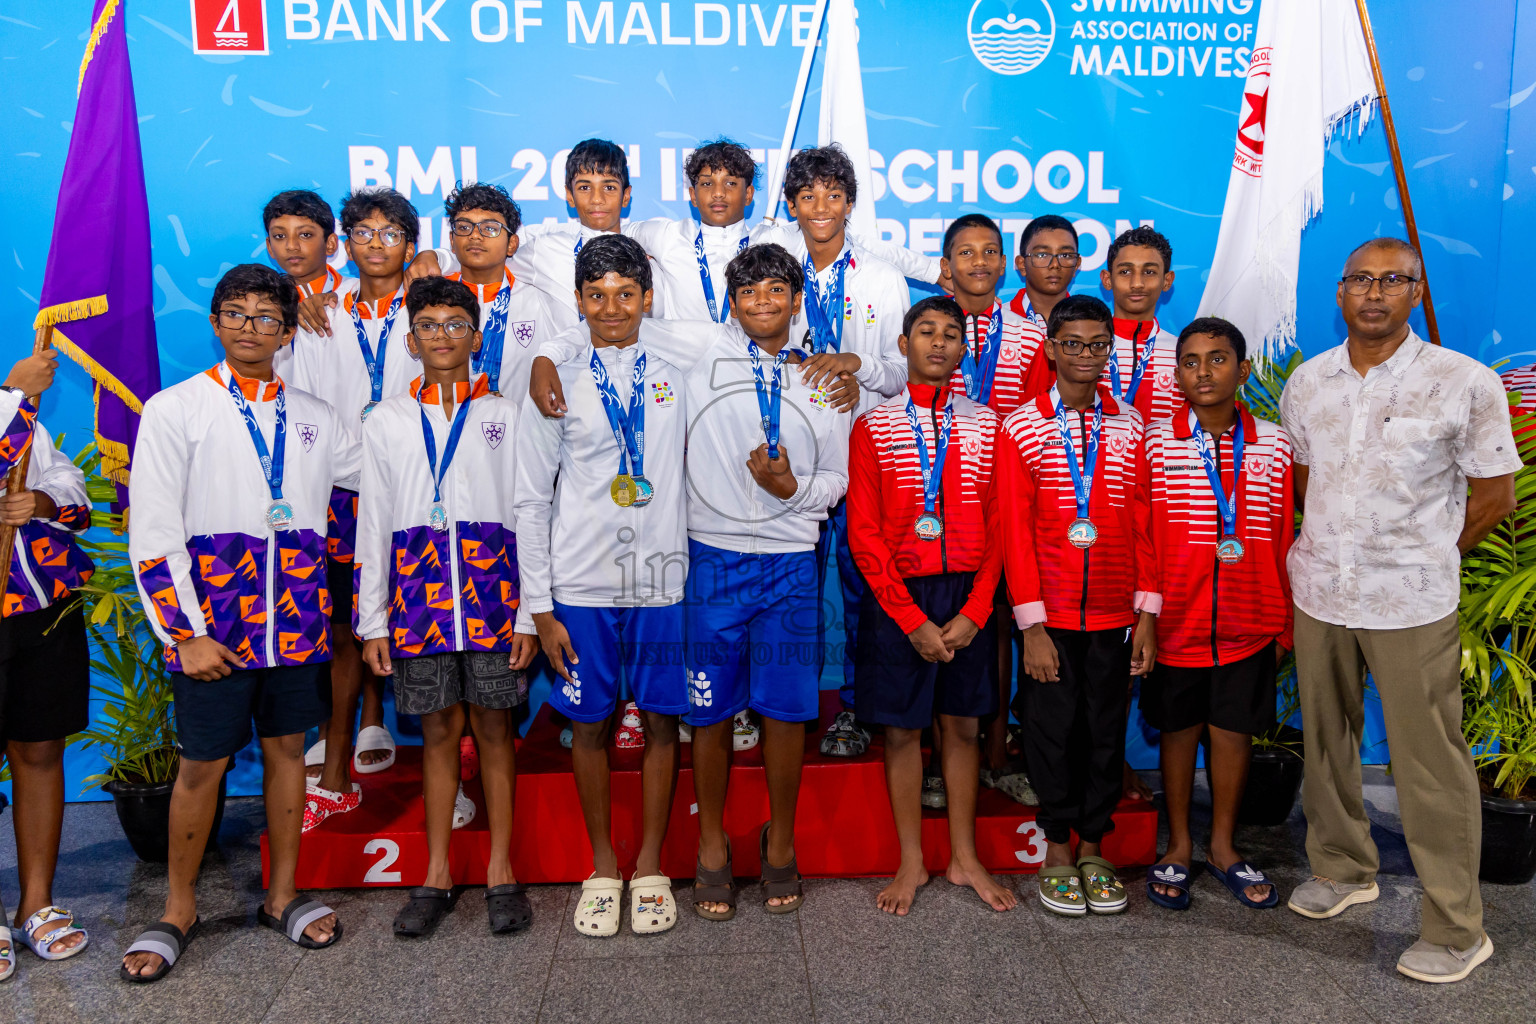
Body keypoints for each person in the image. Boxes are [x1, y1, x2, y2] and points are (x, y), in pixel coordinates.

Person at [1280, 238, 1519, 983]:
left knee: (1429, 764)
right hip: (1321, 592)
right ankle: (1344, 869)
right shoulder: (1309, 382)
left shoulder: (1464, 383)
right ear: (1340, 292)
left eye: (1393, 280)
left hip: (1410, 601)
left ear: (1417, 292)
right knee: (1325, 740)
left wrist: (1425, 554)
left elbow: (1495, 497)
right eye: (1360, 279)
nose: (1374, 292)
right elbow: (1304, 480)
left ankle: (1455, 928)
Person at [123, 264, 356, 982]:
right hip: (213, 630)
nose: (251, 327)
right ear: (217, 322)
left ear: (289, 332)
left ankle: (281, 897)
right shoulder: (175, 408)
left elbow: (376, 479)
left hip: (296, 624)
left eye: (266, 317)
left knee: (290, 754)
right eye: (236, 313)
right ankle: (178, 908)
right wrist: (182, 632)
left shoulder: (317, 417)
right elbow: (154, 531)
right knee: (202, 765)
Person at [514, 234, 689, 938]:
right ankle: (602, 865)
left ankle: (649, 863)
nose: (612, 308)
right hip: (580, 588)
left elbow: (761, 349)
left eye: (626, 294)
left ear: (648, 297)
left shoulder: (684, 363)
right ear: (579, 302)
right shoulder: (554, 378)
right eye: (597, 295)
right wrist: (540, 607)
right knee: (586, 726)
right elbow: (531, 499)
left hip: (662, 581)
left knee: (660, 723)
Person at [356, 277, 539, 938]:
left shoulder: (505, 415)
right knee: (436, 732)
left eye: (455, 323)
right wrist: (372, 619)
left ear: (476, 336)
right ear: (411, 340)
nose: (442, 335)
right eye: (429, 325)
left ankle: (500, 870)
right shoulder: (385, 421)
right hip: (419, 599)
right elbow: (372, 522)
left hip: (494, 598)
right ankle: (434, 872)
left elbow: (528, 513)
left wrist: (528, 613)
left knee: (494, 729)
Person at [846, 295, 1013, 917]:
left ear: (964, 348)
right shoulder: (875, 426)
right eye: (926, 332)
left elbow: (1002, 528)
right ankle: (911, 858)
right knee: (901, 732)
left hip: (968, 592)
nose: (938, 343)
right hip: (899, 598)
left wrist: (976, 611)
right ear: (903, 344)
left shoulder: (988, 424)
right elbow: (862, 534)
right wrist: (910, 619)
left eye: (950, 334)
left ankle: (964, 856)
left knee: (964, 727)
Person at [997, 294, 1157, 917]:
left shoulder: (1132, 425)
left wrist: (1147, 614)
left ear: (1108, 351)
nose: (1086, 355)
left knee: (1104, 732)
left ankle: (1095, 846)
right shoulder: (1021, 426)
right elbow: (1014, 529)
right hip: (1052, 616)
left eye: (1098, 345)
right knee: (1051, 732)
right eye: (1073, 344)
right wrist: (1031, 627)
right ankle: (1059, 847)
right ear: (1051, 349)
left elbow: (1145, 525)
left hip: (1117, 616)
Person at [1142, 317, 1294, 912]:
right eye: (1191, 361)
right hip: (1176, 621)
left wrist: (1283, 621)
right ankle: (1179, 843)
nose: (1203, 372)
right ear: (1175, 371)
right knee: (1178, 733)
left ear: (1244, 368)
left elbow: (1285, 536)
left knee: (1233, 734)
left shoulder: (1275, 443)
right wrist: (1148, 616)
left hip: (1249, 621)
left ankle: (1225, 847)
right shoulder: (1153, 443)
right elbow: (1143, 537)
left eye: (1218, 359)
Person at [772, 145, 912, 759]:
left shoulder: (880, 279)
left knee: (863, 588)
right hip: (792, 456)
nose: (821, 208)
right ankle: (783, 704)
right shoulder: (773, 271)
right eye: (808, 197)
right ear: (792, 205)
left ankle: (856, 705)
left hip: (864, 454)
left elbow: (908, 366)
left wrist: (861, 366)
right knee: (791, 591)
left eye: (834, 195)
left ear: (850, 203)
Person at [295, 187, 422, 831]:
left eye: (391, 232)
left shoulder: (431, 304)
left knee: (434, 630)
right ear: (346, 243)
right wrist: (354, 468)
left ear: (411, 242)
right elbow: (309, 407)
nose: (377, 243)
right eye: (364, 233)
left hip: (423, 491)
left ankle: (447, 782)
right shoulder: (321, 314)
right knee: (346, 630)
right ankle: (336, 772)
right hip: (345, 493)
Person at [938, 213, 1051, 807]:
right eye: (965, 252)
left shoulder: (1033, 338)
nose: (978, 262)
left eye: (990, 252)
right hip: (941, 497)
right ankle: (943, 755)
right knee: (946, 615)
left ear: (1005, 264)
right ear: (945, 266)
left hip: (1008, 494)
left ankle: (999, 752)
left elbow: (1038, 419)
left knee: (1005, 619)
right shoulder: (931, 328)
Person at [0, 347, 94, 977]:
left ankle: (36, 902)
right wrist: (11, 394)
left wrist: (40, 501)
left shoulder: (22, 420)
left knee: (39, 749)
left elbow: (74, 492)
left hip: (38, 609)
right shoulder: (11, 406)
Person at [623, 138, 940, 322]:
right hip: (682, 381)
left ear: (748, 195)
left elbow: (856, 245)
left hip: (748, 377)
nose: (718, 194)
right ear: (692, 195)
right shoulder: (664, 235)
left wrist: (932, 271)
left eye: (730, 184)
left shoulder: (771, 239)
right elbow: (601, 231)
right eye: (706, 184)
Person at [412, 138, 632, 320]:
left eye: (609, 187)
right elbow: (486, 253)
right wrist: (436, 257)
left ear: (626, 195)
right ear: (568, 196)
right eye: (584, 187)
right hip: (568, 370)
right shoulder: (546, 246)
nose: (597, 199)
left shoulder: (647, 248)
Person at [436, 182, 574, 406]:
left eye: (490, 228)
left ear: (512, 244)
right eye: (464, 227)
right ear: (452, 241)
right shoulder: (434, 305)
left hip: (522, 436)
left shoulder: (541, 299)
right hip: (452, 436)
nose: (475, 236)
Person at [1099, 226, 1182, 425]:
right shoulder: (1087, 347)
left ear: (1167, 280)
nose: (1137, 283)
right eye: (1125, 271)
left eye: (1149, 271)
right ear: (1107, 279)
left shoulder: (1181, 352)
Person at [263, 188, 345, 300]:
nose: (291, 246)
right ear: (270, 247)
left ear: (330, 244)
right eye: (280, 236)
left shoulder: (356, 294)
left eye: (305, 235)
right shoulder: (264, 304)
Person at [1010, 214, 1082, 331]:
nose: (1055, 264)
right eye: (1042, 255)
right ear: (1022, 265)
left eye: (1065, 255)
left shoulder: (1091, 325)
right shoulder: (997, 321)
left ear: (1076, 265)